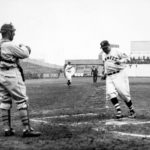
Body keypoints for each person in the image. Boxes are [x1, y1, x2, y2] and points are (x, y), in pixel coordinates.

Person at [0, 23, 41, 137]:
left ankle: (7, 129)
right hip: (11, 74)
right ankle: (26, 129)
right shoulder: (9, 45)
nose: (14, 33)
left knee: (4, 101)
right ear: (8, 32)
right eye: (13, 32)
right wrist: (25, 46)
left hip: (0, 75)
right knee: (22, 100)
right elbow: (25, 53)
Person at [100, 40, 136, 119]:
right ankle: (119, 112)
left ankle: (132, 110)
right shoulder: (103, 55)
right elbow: (106, 65)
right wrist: (104, 74)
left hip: (120, 74)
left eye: (105, 48)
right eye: (103, 48)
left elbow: (128, 58)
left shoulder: (116, 51)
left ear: (109, 46)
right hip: (109, 76)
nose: (104, 50)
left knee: (123, 94)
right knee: (110, 93)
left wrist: (120, 61)